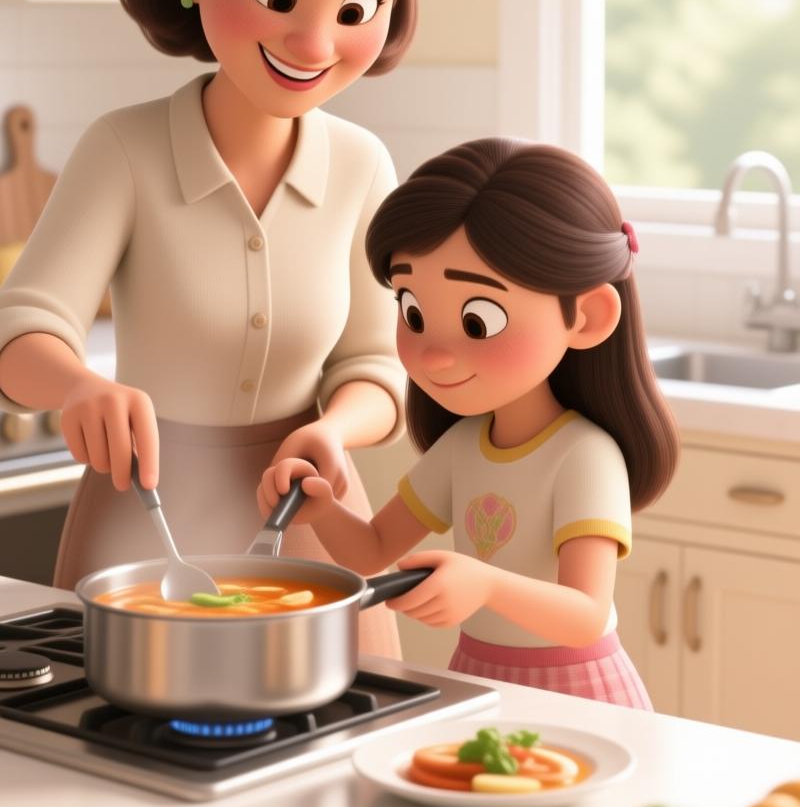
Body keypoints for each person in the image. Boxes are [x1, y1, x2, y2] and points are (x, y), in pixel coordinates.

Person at [0, 0, 441, 657]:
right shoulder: (126, 150)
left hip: (316, 525)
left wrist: (335, 430)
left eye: (356, 7)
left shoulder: (364, 165)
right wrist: (77, 387)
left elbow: (380, 367)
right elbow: (15, 328)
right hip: (143, 529)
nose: (312, 40)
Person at [258, 137, 679, 704]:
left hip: (578, 688)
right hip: (479, 678)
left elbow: (586, 614)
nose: (434, 354)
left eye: (479, 320)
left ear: (588, 317)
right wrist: (322, 509)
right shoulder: (463, 445)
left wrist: (484, 584)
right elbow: (372, 549)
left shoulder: (585, 455)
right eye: (414, 312)